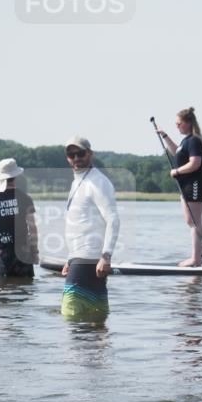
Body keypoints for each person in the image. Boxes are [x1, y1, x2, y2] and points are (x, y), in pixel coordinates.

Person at [60, 136, 120, 320]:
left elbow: (113, 219)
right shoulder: (78, 181)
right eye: (71, 154)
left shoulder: (98, 182)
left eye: (81, 153)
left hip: (91, 259)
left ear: (90, 154)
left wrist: (106, 256)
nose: (76, 158)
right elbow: (81, 223)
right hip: (80, 258)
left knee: (69, 317)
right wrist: (70, 259)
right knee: (97, 322)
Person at [156, 107, 202, 266]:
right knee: (191, 221)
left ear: (187, 123)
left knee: (195, 221)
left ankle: (196, 259)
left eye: (178, 123)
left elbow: (195, 163)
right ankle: (197, 257)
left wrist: (177, 171)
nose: (177, 126)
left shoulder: (194, 141)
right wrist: (165, 136)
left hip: (195, 184)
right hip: (187, 185)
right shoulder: (185, 141)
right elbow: (177, 152)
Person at [0, 158, 38, 279]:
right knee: (25, 289)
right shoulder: (25, 198)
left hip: (2, 253)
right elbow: (32, 227)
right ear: (16, 177)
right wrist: (34, 251)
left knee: (2, 290)